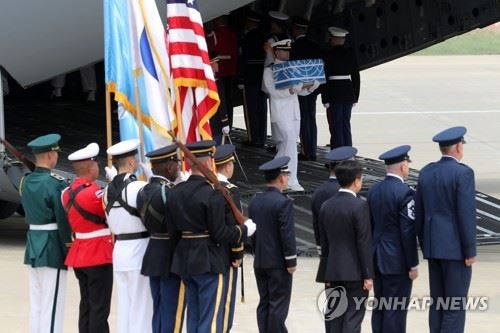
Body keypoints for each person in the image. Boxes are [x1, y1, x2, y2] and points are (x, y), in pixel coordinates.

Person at [166, 140, 256, 333]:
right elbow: (220, 233)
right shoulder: (212, 194)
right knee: (210, 319)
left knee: (194, 317)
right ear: (208, 163)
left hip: (184, 261)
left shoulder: (175, 192)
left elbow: (173, 233)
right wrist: (244, 230)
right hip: (209, 260)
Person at [415, 126, 476, 333]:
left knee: (438, 303)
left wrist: (425, 244)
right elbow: (465, 214)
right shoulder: (463, 173)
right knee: (455, 306)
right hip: (456, 249)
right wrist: (470, 250)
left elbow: (419, 213)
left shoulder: (426, 172)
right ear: (458, 147)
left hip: (434, 247)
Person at [20, 133, 71, 333]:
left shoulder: (25, 181)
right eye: (56, 153)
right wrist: (69, 247)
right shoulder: (56, 183)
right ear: (50, 155)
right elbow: (62, 219)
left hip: (33, 245)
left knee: (37, 303)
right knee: (52, 305)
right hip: (52, 247)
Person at [61, 143, 113, 333]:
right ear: (91, 167)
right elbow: (110, 216)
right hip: (98, 253)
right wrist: (113, 186)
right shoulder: (95, 193)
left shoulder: (66, 193)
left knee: (87, 304)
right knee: (100, 307)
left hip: (79, 252)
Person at [103, 139, 153, 333]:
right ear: (132, 162)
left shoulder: (107, 190)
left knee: (124, 307)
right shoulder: (138, 187)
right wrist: (154, 180)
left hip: (120, 251)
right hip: (139, 249)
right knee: (142, 307)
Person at [367, 145, 419, 333]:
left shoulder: (373, 190)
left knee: (380, 306)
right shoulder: (405, 193)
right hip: (396, 260)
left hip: (376, 257)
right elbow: (407, 231)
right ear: (403, 167)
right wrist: (412, 264)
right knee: (395, 309)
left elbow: (370, 226)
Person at [319, 160, 373, 333]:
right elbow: (363, 241)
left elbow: (324, 242)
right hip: (355, 272)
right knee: (352, 317)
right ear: (356, 181)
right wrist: (368, 275)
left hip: (333, 271)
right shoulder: (360, 205)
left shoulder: (326, 205)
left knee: (334, 316)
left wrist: (325, 272)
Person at [136, 145, 185, 333]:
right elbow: (179, 223)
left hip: (153, 252)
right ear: (168, 167)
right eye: (176, 164)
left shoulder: (144, 190)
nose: (178, 168)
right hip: (170, 255)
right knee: (172, 311)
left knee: (158, 309)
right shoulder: (169, 191)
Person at [262, 38, 320, 192]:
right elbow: (272, 92)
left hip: (294, 112)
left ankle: (276, 174)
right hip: (280, 111)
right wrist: (291, 90)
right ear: (276, 52)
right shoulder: (269, 70)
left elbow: (300, 91)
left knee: (287, 144)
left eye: (288, 51)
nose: (287, 53)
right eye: (284, 50)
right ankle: (292, 179)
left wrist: (311, 87)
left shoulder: (293, 67)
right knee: (289, 142)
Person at [249, 156, 297, 333]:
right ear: (282, 177)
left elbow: (252, 232)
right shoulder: (283, 203)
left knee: (265, 302)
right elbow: (287, 234)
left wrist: (257, 253)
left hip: (260, 260)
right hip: (278, 263)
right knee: (278, 304)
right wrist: (291, 261)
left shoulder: (255, 201)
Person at [214, 144, 244, 332]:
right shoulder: (230, 190)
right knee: (225, 302)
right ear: (227, 166)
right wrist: (237, 254)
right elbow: (235, 225)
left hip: (208, 251)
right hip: (225, 254)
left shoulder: (209, 186)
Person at [290, 16, 322, 161]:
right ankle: (312, 150)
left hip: (300, 88)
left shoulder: (293, 47)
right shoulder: (315, 46)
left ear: (296, 30)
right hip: (313, 87)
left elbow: (292, 69)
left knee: (302, 118)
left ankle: (305, 151)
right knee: (311, 117)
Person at [321, 26, 360, 148]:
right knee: (345, 124)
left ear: (333, 39)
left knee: (336, 126)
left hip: (334, 93)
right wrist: (355, 96)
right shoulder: (350, 53)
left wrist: (325, 98)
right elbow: (356, 77)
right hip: (348, 92)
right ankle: (348, 153)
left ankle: (338, 156)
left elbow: (325, 78)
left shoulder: (328, 54)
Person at [240, 11, 267, 147]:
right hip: (262, 77)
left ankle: (253, 138)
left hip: (250, 77)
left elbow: (244, 59)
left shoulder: (247, 37)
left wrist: (240, 78)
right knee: (261, 108)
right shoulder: (264, 36)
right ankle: (261, 138)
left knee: (251, 109)